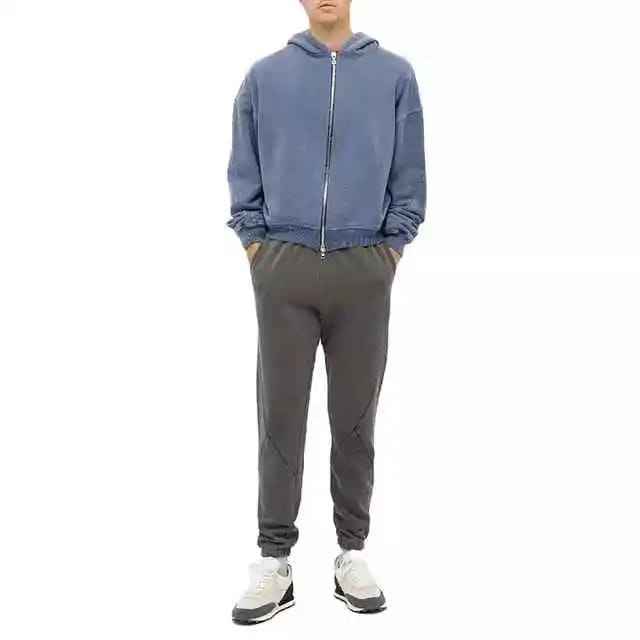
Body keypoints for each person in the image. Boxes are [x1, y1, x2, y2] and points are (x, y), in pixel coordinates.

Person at [226, 0, 426, 624]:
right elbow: (243, 170)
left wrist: (389, 248)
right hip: (282, 269)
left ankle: (351, 552)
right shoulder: (265, 76)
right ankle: (273, 561)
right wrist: (257, 245)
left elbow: (410, 176)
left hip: (363, 268)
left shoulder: (394, 75)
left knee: (356, 417)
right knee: (279, 415)